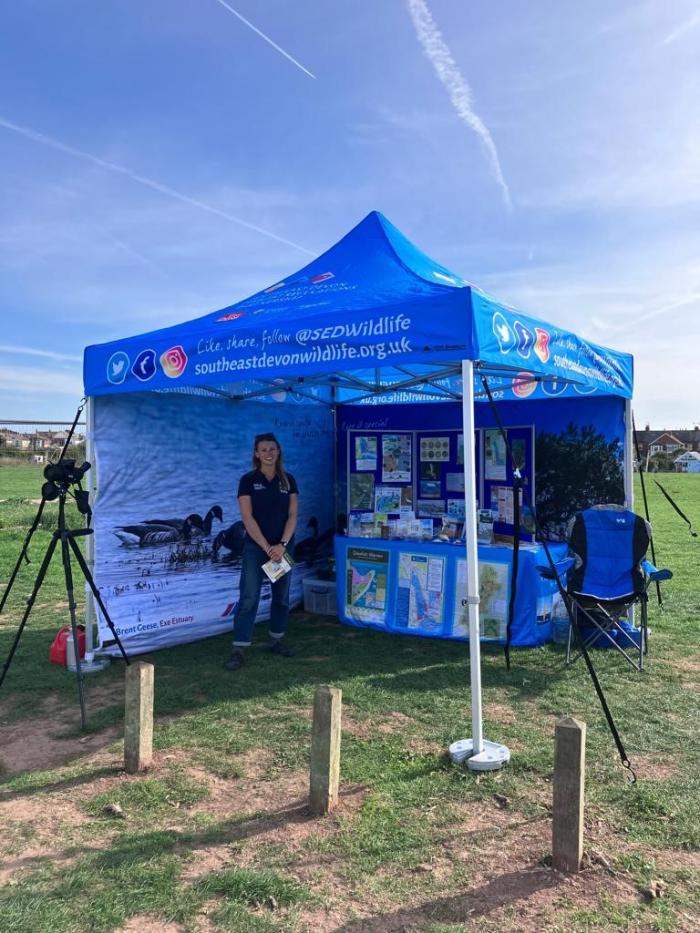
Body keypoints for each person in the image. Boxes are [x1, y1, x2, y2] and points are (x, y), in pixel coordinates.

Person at [224, 432, 299, 671]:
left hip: (283, 547)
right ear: (256, 453)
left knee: (281, 597)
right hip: (256, 548)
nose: (269, 453)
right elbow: (247, 517)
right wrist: (267, 547)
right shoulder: (248, 480)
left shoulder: (288, 480)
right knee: (248, 598)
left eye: (272, 449)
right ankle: (239, 648)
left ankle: (277, 639)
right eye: (263, 449)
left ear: (278, 452)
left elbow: (293, 515)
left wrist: (282, 546)